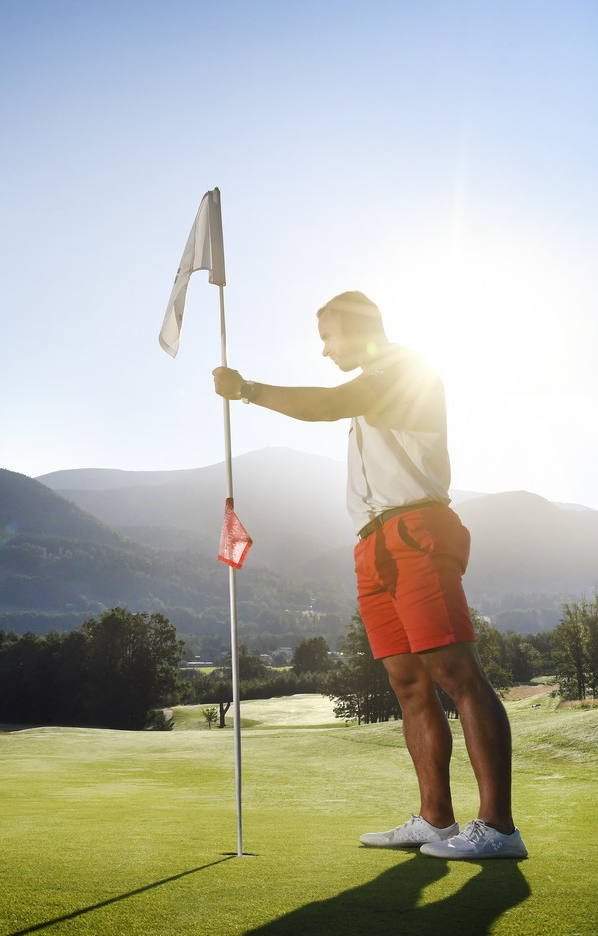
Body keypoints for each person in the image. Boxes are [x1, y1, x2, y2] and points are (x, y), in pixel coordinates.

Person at [212, 290, 526, 860]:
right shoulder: (373, 383)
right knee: (408, 683)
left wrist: (249, 391)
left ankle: (499, 827)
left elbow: (328, 404)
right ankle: (436, 820)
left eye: (329, 336)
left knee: (456, 671)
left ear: (361, 329)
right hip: (374, 544)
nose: (325, 350)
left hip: (416, 531)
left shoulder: (403, 370)